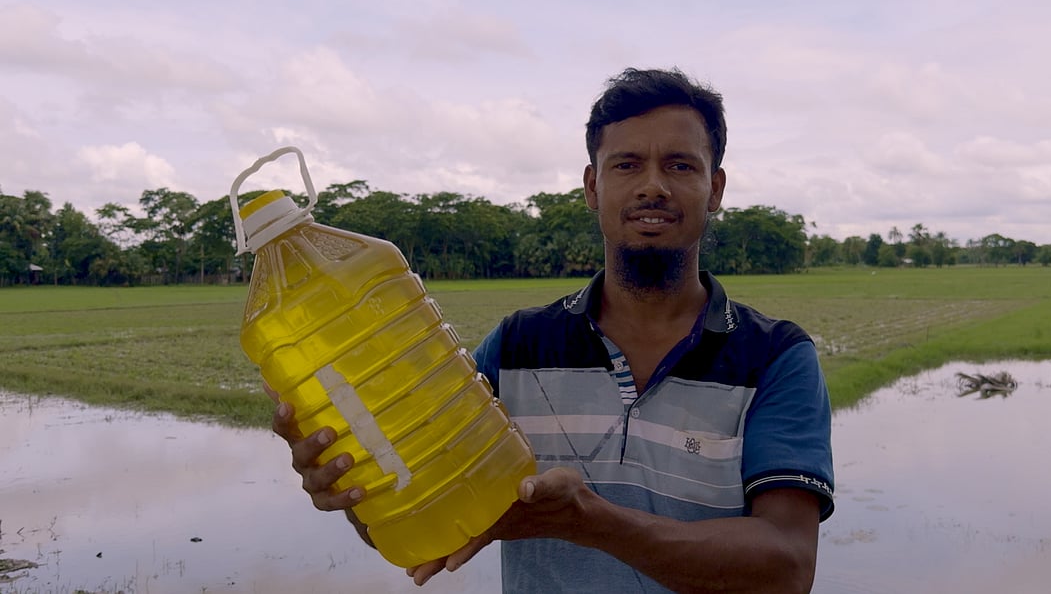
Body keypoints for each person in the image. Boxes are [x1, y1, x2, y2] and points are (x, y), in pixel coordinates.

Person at [270, 67, 835, 593]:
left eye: (681, 165)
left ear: (715, 188)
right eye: (627, 164)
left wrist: (593, 522)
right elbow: (423, 517)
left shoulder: (775, 357)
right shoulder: (516, 348)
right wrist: (352, 489)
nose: (653, 186)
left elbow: (785, 565)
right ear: (593, 187)